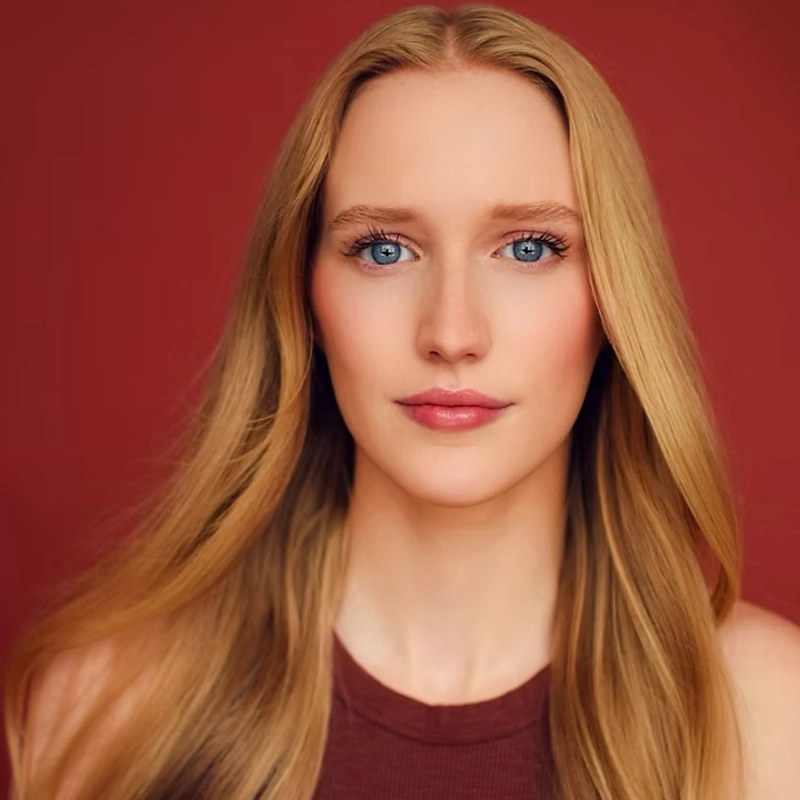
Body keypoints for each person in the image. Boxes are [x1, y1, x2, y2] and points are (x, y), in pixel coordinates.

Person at [4, 4, 800, 799]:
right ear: (301, 297)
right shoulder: (105, 708)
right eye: (383, 249)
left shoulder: (773, 718)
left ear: (613, 299)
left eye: (529, 248)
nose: (452, 332)